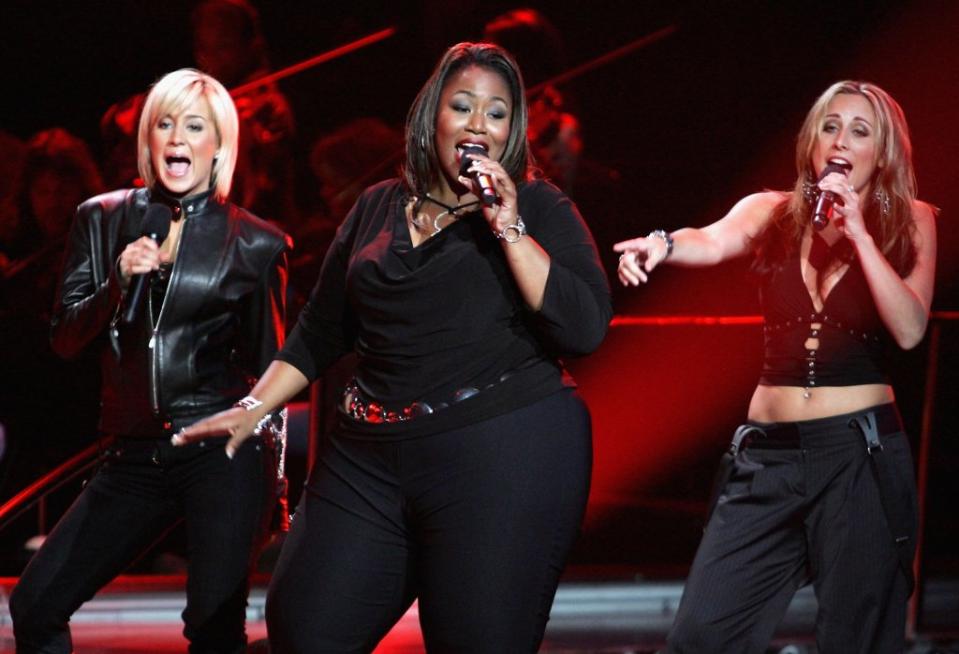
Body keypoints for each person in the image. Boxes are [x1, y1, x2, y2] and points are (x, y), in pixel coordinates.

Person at [176, 42, 612, 652]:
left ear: (511, 132)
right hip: (370, 454)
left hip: (502, 452)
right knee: (306, 625)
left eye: (496, 113)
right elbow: (322, 329)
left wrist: (508, 226)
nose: (477, 124)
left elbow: (585, 326)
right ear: (433, 114)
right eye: (463, 106)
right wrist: (253, 409)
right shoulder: (377, 205)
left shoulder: (538, 207)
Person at [615, 81, 936, 653]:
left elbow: (910, 329)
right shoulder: (773, 211)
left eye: (860, 131)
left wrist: (860, 234)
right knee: (702, 635)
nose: (841, 139)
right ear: (812, 140)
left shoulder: (910, 220)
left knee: (856, 638)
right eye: (830, 126)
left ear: (882, 151)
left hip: (857, 456)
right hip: (769, 457)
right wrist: (662, 244)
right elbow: (710, 240)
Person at [9, 68, 291, 654]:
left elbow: (274, 374)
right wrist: (118, 281)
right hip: (133, 453)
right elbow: (65, 338)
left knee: (214, 630)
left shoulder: (257, 244)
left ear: (219, 146)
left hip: (220, 450)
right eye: (165, 124)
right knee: (35, 604)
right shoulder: (102, 218)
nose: (177, 139)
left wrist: (276, 478)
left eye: (195, 126)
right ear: (148, 137)